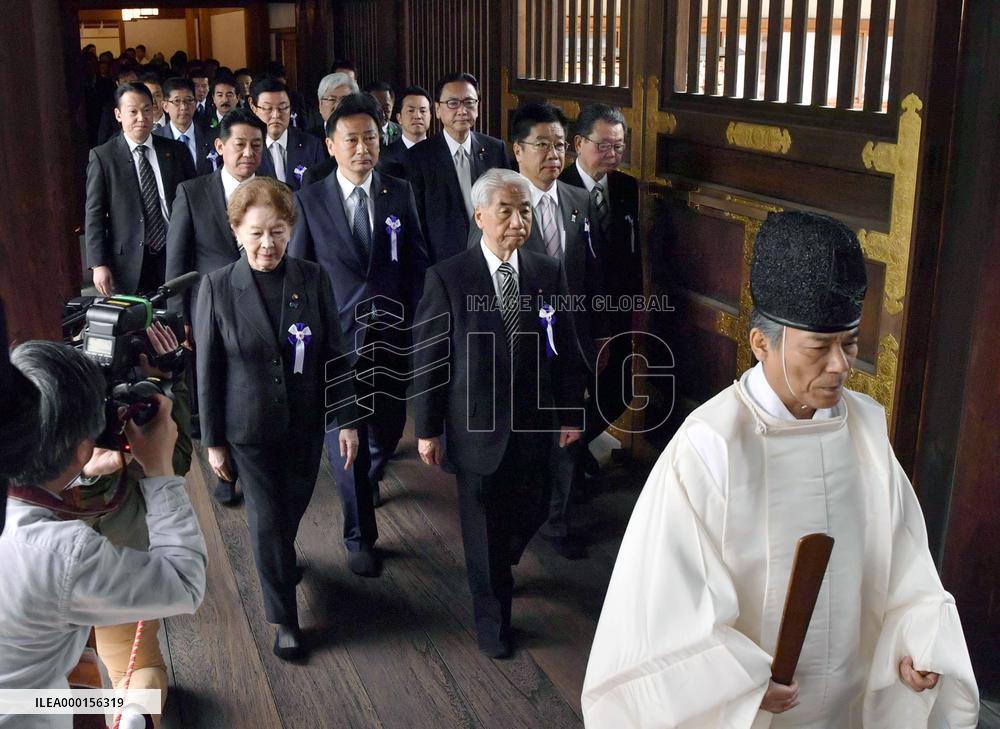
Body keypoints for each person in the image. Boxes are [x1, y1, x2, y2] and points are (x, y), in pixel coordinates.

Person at [582, 211, 980, 727]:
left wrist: (916, 639)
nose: (841, 365)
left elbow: (905, 563)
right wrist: (740, 682)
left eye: (850, 343)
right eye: (820, 347)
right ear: (761, 343)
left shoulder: (862, 430)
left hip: (849, 695)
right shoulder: (713, 444)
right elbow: (666, 608)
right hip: (757, 705)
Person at [412, 168, 585, 658]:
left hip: (535, 423)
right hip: (475, 429)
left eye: (525, 209)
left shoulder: (547, 271)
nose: (516, 220)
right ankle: (493, 622)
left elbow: (567, 348)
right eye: (505, 210)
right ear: (480, 215)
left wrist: (571, 413)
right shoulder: (448, 277)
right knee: (483, 534)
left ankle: (502, 565)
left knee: (533, 507)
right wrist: (427, 430)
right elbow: (429, 359)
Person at [0, 340, 207, 729]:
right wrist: (158, 468)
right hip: (31, 710)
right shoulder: (62, 557)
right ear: (84, 447)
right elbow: (185, 582)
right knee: (137, 678)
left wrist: (82, 471)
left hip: (22, 690)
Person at [196, 177, 361, 660]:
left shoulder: (312, 278)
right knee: (266, 523)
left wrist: (347, 418)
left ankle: (280, 560)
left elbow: (335, 352)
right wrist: (213, 441)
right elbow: (207, 368)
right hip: (247, 428)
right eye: (256, 233)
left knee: (288, 512)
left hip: (305, 424)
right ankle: (284, 617)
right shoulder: (218, 286)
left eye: (278, 232)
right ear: (236, 232)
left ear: (291, 230)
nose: (267, 244)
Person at [289, 93, 429, 575]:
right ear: (331, 145)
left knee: (387, 429)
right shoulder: (308, 201)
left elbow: (417, 263)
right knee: (345, 439)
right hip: (335, 343)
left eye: (370, 137)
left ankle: (370, 477)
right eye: (351, 139)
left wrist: (417, 323)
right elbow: (301, 277)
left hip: (392, 337)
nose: (362, 148)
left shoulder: (399, 192)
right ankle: (358, 536)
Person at [503, 102, 608, 560]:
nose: (553, 154)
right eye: (542, 144)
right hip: (519, 340)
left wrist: (598, 332)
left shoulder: (578, 201)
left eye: (561, 145)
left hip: (570, 338)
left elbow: (593, 271)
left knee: (568, 428)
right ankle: (520, 517)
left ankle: (558, 520)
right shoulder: (497, 202)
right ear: (517, 151)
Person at [560, 103, 641, 478]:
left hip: (618, 311)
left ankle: (574, 449)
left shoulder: (626, 187)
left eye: (619, 147)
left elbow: (633, 251)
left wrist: (634, 305)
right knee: (572, 393)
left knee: (618, 390)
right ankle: (567, 463)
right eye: (603, 145)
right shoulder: (558, 188)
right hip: (574, 315)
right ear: (578, 142)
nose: (611, 154)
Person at [86, 82, 195, 297]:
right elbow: (94, 213)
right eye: (133, 112)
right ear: (118, 115)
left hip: (173, 250)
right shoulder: (104, 157)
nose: (141, 118)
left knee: (176, 317)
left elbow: (193, 200)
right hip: (130, 257)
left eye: (147, 110)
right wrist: (98, 264)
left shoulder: (175, 151)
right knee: (138, 323)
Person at [403, 72, 514, 263]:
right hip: (444, 262)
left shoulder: (496, 149)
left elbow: (508, 205)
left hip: (493, 256)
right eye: (453, 103)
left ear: (477, 106)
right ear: (437, 109)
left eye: (469, 102)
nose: (462, 110)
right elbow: (416, 222)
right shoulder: (418, 157)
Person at [250, 77, 325, 191]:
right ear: (253, 107)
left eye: (282, 107)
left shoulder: (312, 145)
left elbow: (321, 191)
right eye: (268, 108)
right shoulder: (248, 148)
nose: (276, 115)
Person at [299, 72, 359, 186]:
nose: (337, 105)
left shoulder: (363, 138)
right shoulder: (307, 140)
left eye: (344, 99)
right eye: (331, 99)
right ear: (320, 105)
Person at [155, 77, 218, 176]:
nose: (184, 107)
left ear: (196, 103)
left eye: (189, 100)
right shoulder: (156, 139)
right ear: (165, 106)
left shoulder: (212, 136)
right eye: (177, 101)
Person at [377, 85, 431, 179]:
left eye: (423, 111)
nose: (417, 116)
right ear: (399, 118)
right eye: (411, 111)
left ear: (430, 116)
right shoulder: (384, 157)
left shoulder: (440, 152)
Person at [363, 80, 401, 147]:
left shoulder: (402, 133)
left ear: (392, 105)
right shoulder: (358, 133)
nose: (382, 114)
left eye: (386, 108)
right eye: (376, 108)